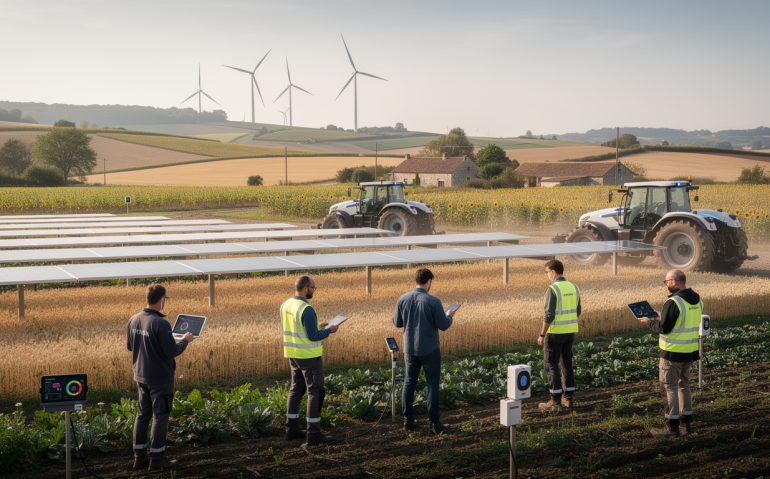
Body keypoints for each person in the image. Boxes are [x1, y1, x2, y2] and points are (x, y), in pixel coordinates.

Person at [126, 284, 195, 472]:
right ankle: (156, 459)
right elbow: (172, 351)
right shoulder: (161, 324)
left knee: (142, 415)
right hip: (160, 379)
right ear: (162, 299)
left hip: (140, 376)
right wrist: (185, 341)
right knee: (160, 416)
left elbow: (131, 347)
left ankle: (139, 457)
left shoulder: (133, 319)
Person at [393, 267, 455, 434]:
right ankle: (434, 423)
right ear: (429, 281)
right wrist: (449, 314)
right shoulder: (433, 301)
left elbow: (397, 323)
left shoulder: (402, 298)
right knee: (432, 385)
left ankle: (408, 421)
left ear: (416, 280)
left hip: (410, 350)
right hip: (429, 350)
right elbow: (444, 325)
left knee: (408, 383)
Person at [640, 269, 702, 437]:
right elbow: (683, 321)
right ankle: (686, 424)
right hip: (689, 351)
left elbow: (665, 328)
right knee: (684, 386)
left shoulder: (674, 302)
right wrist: (661, 316)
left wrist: (649, 322)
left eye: (667, 281)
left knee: (669, 388)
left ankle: (671, 427)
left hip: (672, 354)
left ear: (674, 282)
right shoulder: (696, 300)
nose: (666, 284)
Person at [282, 275, 338, 445]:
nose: (314, 291)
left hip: (293, 353)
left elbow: (299, 329)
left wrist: (318, 326)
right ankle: (313, 433)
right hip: (309, 356)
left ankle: (291, 428)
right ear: (306, 288)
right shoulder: (306, 309)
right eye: (313, 288)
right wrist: (330, 330)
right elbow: (312, 336)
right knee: (314, 391)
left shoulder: (286, 304)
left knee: (295, 389)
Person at [538, 259, 581, 412]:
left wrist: (542, 334)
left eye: (547, 272)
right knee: (567, 364)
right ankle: (568, 399)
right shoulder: (574, 287)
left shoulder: (553, 289)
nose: (547, 275)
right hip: (570, 332)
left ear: (554, 272)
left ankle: (555, 400)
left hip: (555, 333)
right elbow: (578, 311)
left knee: (551, 365)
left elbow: (548, 315)